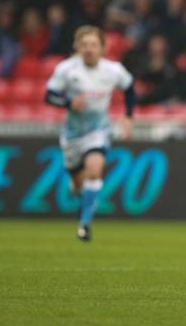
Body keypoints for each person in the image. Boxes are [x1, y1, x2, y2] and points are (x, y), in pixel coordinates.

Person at [45, 26, 135, 241]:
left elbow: (130, 88)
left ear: (102, 48)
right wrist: (69, 103)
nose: (89, 49)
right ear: (77, 47)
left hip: (99, 130)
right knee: (79, 184)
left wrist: (128, 117)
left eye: (93, 45)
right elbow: (49, 96)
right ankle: (81, 193)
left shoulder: (113, 70)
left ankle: (84, 225)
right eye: (84, 45)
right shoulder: (66, 69)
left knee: (95, 170)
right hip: (72, 135)